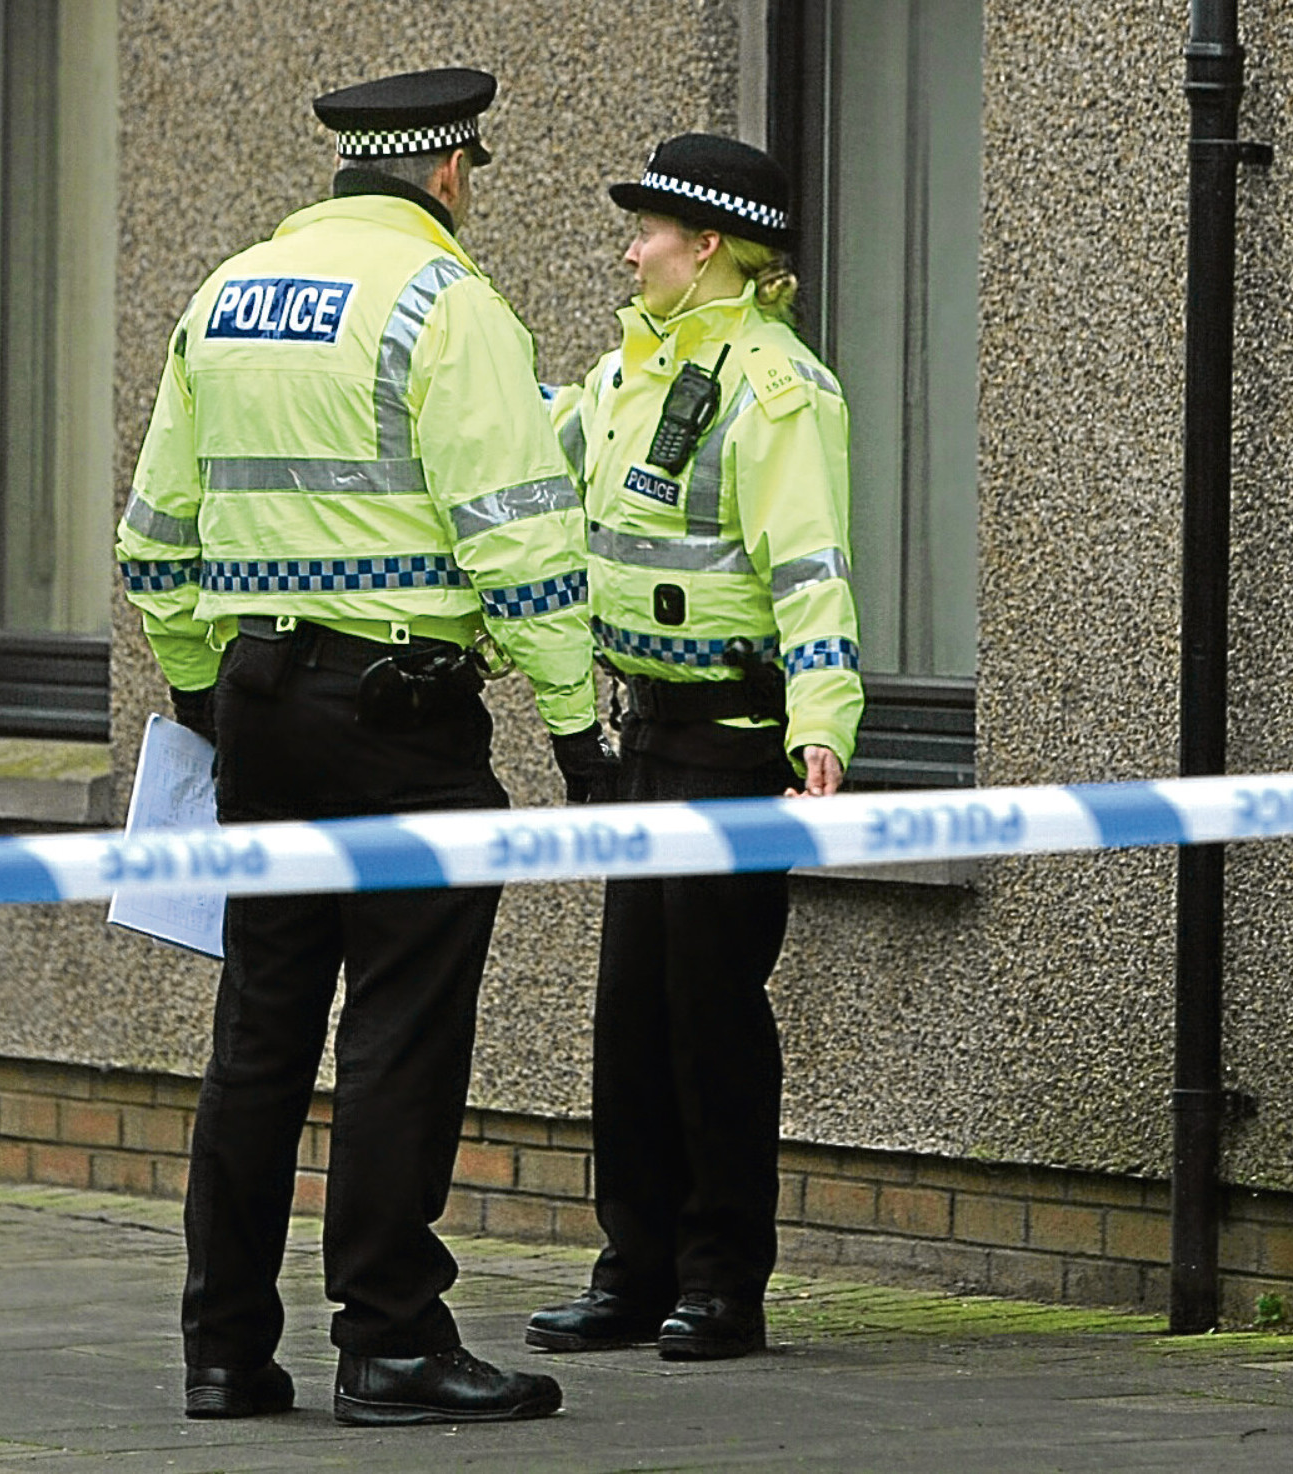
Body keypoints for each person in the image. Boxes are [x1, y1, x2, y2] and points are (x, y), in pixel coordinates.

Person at [116, 67, 608, 1425]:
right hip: (403, 725)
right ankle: (390, 1340)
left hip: (264, 713)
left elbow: (155, 537)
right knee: (399, 1027)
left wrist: (208, 690)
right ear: (449, 174)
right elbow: (519, 531)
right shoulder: (445, 304)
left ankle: (223, 1348)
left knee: (260, 1032)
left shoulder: (226, 297)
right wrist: (575, 726)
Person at [523, 134, 861, 1363]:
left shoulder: (776, 386)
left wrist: (822, 726)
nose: (630, 249)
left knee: (710, 1014)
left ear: (706, 244)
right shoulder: (625, 373)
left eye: (648, 231)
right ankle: (635, 1262)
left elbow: (811, 570)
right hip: (648, 737)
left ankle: (722, 1280)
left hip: (730, 741)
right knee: (631, 1016)